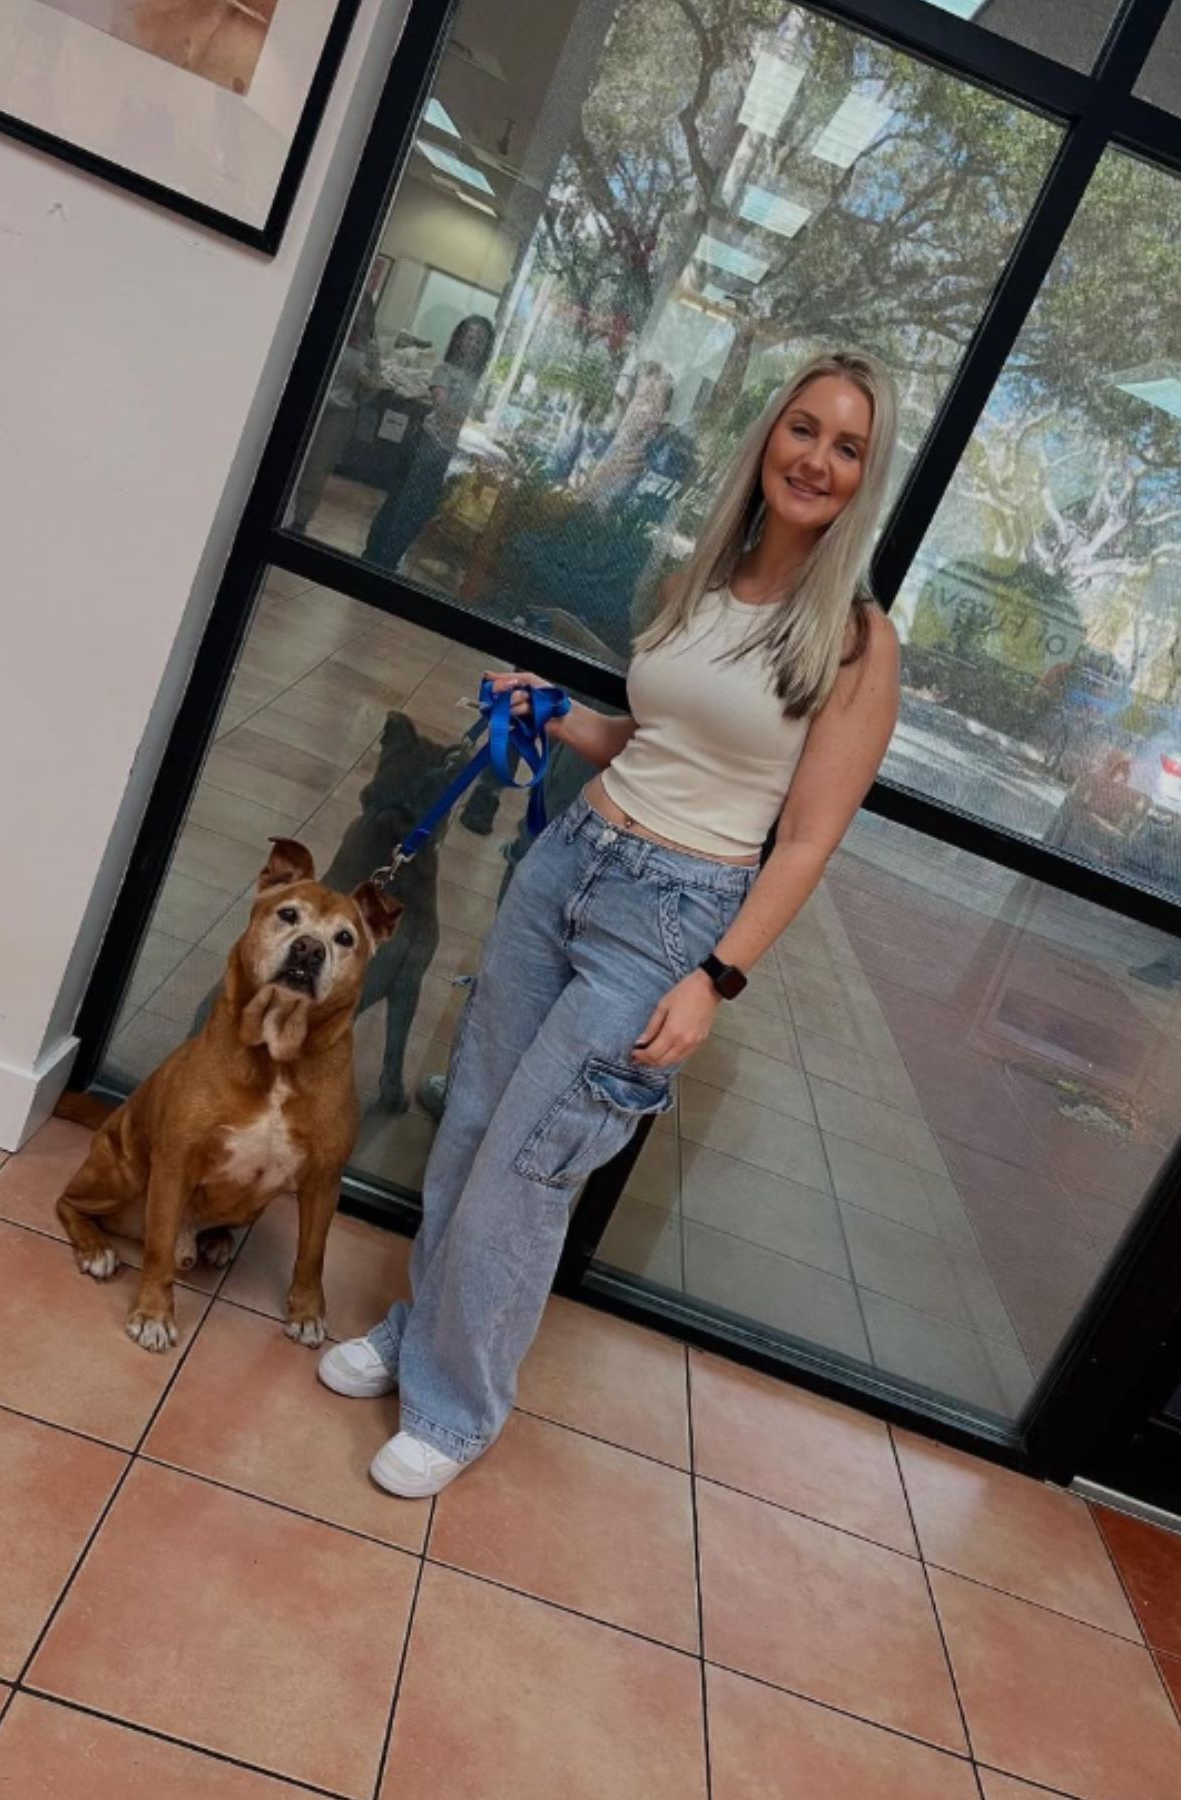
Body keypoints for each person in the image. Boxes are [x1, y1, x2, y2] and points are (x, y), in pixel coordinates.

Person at [319, 350, 903, 1498]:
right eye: (804, 429)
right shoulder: (706, 578)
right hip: (569, 862)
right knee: (475, 1126)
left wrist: (715, 980)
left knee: (530, 1170)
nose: (817, 460)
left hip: (671, 919)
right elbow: (662, 741)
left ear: (864, 482)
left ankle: (458, 1403)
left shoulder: (855, 644)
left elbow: (805, 841)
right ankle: (423, 1326)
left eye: (847, 448)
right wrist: (559, 713)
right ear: (767, 440)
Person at [362, 314, 496, 570]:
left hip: (447, 456)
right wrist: (467, 423)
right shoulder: (444, 370)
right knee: (403, 505)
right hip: (426, 447)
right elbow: (442, 408)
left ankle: (385, 560)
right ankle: (377, 559)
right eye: (469, 337)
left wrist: (473, 425)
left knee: (419, 511)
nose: (473, 344)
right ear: (458, 340)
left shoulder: (480, 383)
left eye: (480, 340)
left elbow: (479, 417)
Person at [288, 292, 381, 534]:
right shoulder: (328, 329)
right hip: (309, 404)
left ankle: (300, 521)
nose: (358, 316)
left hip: (338, 415)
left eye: (363, 311)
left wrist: (367, 382)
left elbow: (372, 392)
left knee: (316, 469)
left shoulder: (370, 350)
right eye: (355, 309)